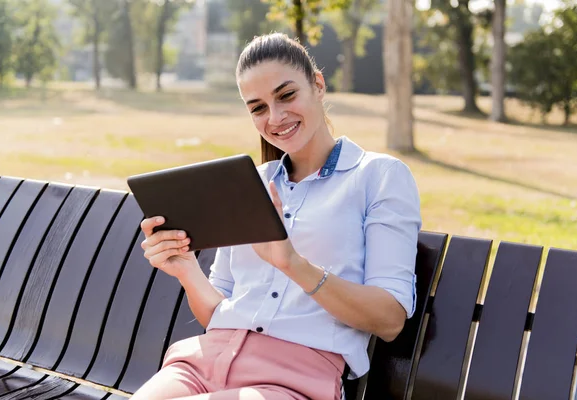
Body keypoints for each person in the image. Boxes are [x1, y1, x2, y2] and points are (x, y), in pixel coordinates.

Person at [132, 32, 421, 400]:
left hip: (292, 380)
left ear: (318, 84)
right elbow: (216, 313)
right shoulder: (250, 183)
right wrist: (186, 269)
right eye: (258, 107)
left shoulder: (379, 177)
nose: (276, 117)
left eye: (286, 95)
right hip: (203, 364)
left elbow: (390, 320)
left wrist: (293, 264)